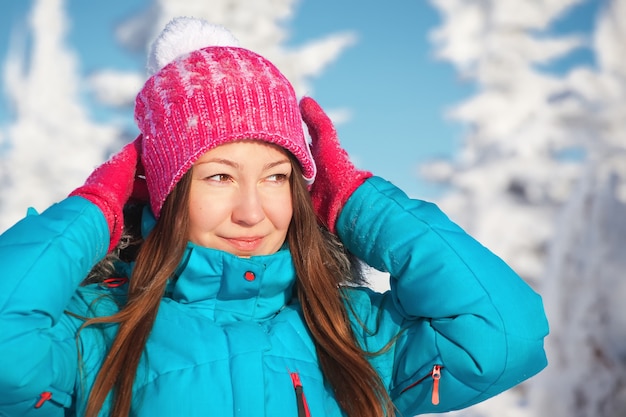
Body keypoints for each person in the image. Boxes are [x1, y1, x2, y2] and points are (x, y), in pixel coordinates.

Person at [0, 17, 549, 417]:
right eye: (218, 176)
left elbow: (505, 335)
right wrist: (95, 211)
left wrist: (356, 200)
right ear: (165, 194)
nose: (252, 211)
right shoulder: (95, 333)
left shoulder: (352, 333)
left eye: (276, 176)